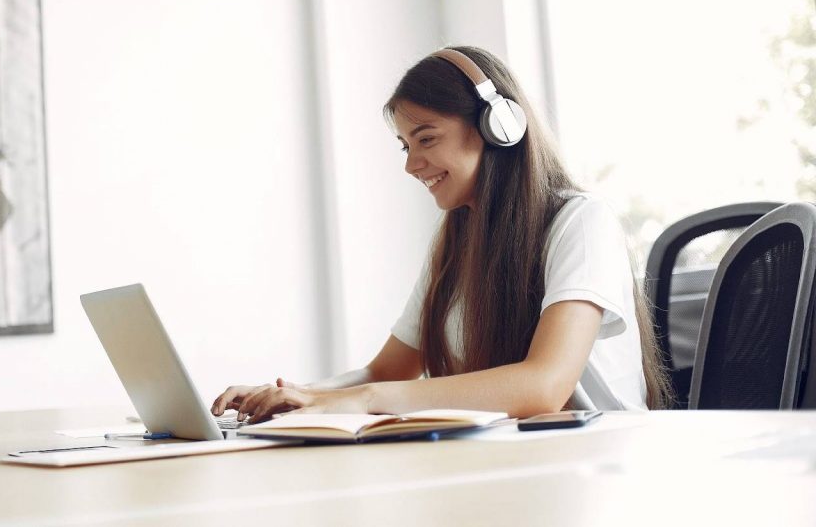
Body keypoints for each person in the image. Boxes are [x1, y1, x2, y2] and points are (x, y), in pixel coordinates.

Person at [212, 46, 671, 422]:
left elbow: (544, 386)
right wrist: (295, 395)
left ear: (499, 128)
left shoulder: (579, 221)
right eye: (406, 145)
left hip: (599, 472)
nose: (411, 164)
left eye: (427, 139)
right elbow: (387, 369)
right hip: (515, 464)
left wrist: (364, 399)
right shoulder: (455, 243)